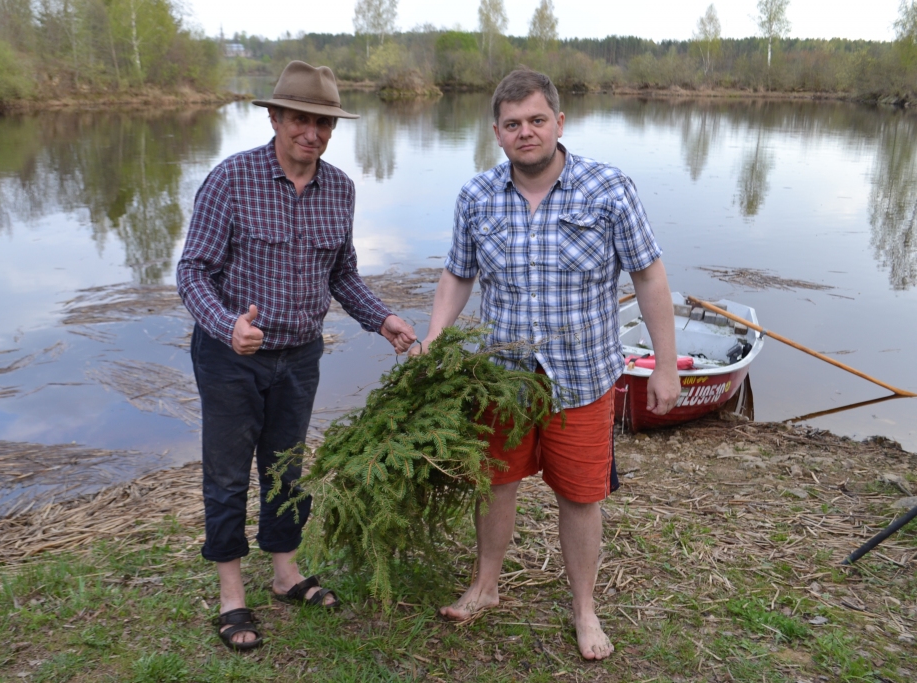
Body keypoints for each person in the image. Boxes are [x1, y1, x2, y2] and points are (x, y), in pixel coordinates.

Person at [413, 68, 680, 660]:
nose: (525, 132)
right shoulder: (476, 196)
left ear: (560, 122)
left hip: (582, 379)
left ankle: (584, 609)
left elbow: (649, 275)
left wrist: (666, 365)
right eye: (513, 124)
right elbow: (458, 274)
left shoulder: (608, 189)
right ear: (496, 133)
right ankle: (486, 586)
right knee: (496, 483)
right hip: (502, 379)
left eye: (536, 120)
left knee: (582, 497)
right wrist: (434, 339)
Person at [177, 60, 417, 651]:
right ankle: (232, 595)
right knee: (229, 477)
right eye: (301, 119)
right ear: (276, 117)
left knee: (286, 471)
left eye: (323, 122)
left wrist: (382, 319)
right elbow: (192, 272)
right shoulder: (231, 179)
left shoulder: (340, 188)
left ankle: (285, 572)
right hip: (229, 356)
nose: (312, 132)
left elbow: (343, 275)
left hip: (300, 356)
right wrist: (227, 325)